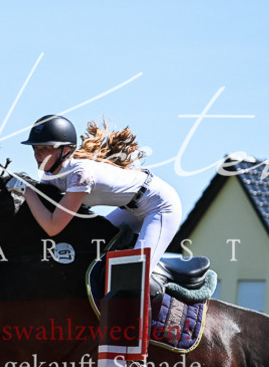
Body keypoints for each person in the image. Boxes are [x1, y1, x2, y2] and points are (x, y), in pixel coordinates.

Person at [20, 114, 182, 267]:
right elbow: (41, 210)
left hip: (160, 205)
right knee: (92, 249)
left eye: (45, 148)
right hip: (129, 209)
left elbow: (53, 227)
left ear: (66, 150)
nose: (38, 154)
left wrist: (26, 190)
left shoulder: (80, 175)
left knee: (136, 270)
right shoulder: (50, 177)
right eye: (35, 148)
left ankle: (167, 298)